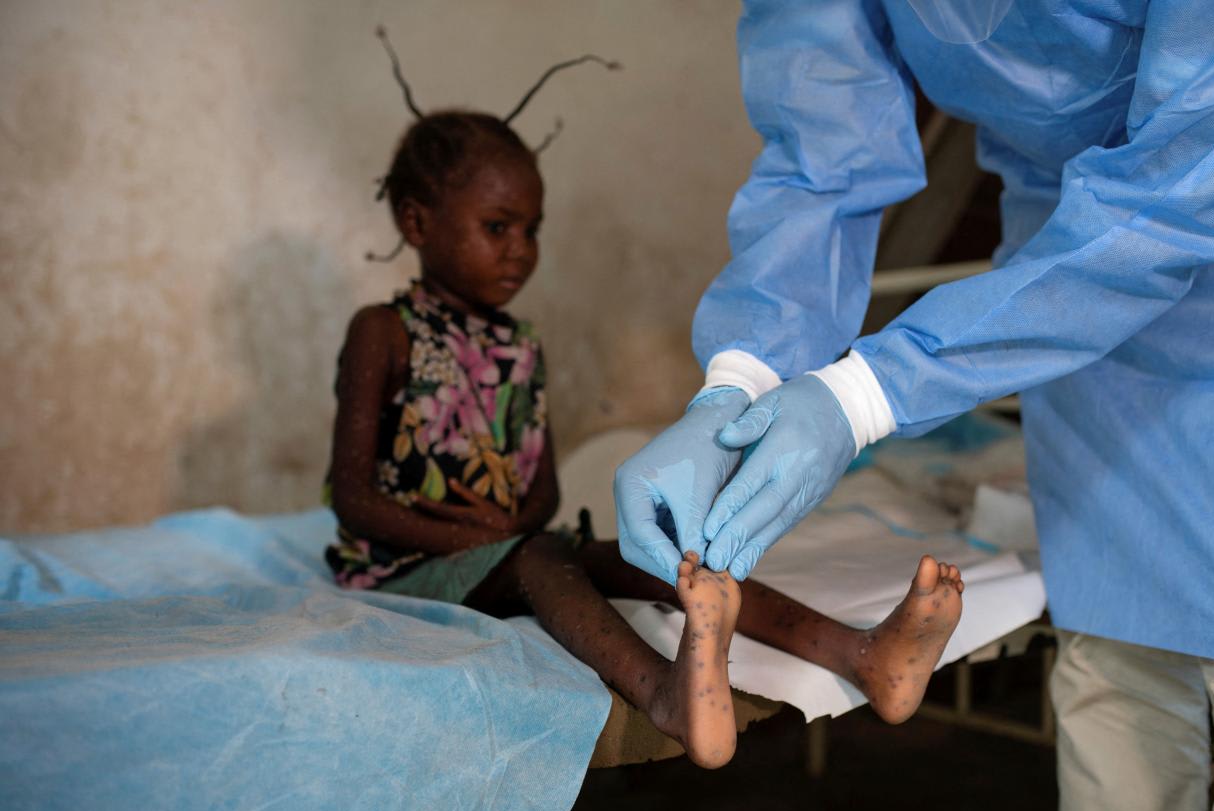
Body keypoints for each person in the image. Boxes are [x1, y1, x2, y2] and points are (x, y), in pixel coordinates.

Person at [615, 0, 1214, 811]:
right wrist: (738, 378)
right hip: (1062, 301)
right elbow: (819, 156)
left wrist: (864, 395)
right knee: (1115, 669)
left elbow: (1196, 170)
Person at [323, 54, 968, 769]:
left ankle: (865, 653)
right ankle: (663, 692)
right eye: (498, 226)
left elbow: (539, 493)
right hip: (403, 571)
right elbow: (353, 499)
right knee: (540, 555)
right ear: (417, 223)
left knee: (656, 554)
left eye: (532, 230)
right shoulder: (382, 333)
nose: (520, 251)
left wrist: (509, 529)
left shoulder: (520, 347)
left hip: (502, 550)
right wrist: (476, 534)